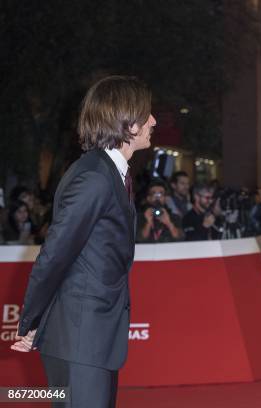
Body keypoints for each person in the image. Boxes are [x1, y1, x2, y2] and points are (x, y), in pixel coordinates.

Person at [11, 75, 156, 408]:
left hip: (92, 339)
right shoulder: (94, 177)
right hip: (79, 339)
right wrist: (32, 321)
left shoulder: (109, 173)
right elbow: (55, 255)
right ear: (128, 124)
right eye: (146, 114)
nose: (154, 121)